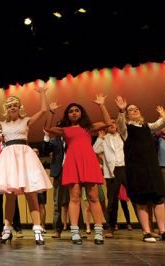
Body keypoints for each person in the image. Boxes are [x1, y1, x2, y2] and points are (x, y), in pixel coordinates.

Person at [0, 86, 52, 245]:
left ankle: (37, 229)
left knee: (31, 194)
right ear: (6, 110)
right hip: (9, 159)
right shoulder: (2, 124)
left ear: (19, 108)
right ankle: (7, 230)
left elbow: (43, 110)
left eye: (15, 105)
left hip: (25, 158)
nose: (12, 108)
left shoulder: (26, 120)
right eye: (9, 106)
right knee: (9, 196)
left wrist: (42, 94)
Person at [106, 94, 165, 242]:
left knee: (158, 198)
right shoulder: (126, 129)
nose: (133, 111)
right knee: (141, 199)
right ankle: (146, 232)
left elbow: (164, 122)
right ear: (127, 115)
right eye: (130, 110)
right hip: (136, 168)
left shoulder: (148, 126)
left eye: (135, 109)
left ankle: (163, 230)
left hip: (152, 166)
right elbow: (120, 124)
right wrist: (121, 111)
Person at [44, 95, 108, 245]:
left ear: (81, 113)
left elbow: (107, 122)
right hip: (73, 163)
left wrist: (102, 105)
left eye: (77, 110)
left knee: (93, 197)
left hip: (89, 162)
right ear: (67, 115)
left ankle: (98, 232)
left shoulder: (88, 128)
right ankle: (75, 233)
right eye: (71, 111)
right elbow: (47, 128)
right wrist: (51, 112)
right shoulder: (65, 130)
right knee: (74, 198)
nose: (74, 113)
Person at [92, 121, 127, 238]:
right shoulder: (104, 138)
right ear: (106, 127)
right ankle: (111, 227)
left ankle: (146, 228)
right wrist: (99, 138)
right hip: (112, 171)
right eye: (110, 123)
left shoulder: (123, 135)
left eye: (114, 123)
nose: (112, 125)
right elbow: (95, 150)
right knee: (112, 200)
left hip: (125, 168)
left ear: (117, 125)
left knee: (136, 196)